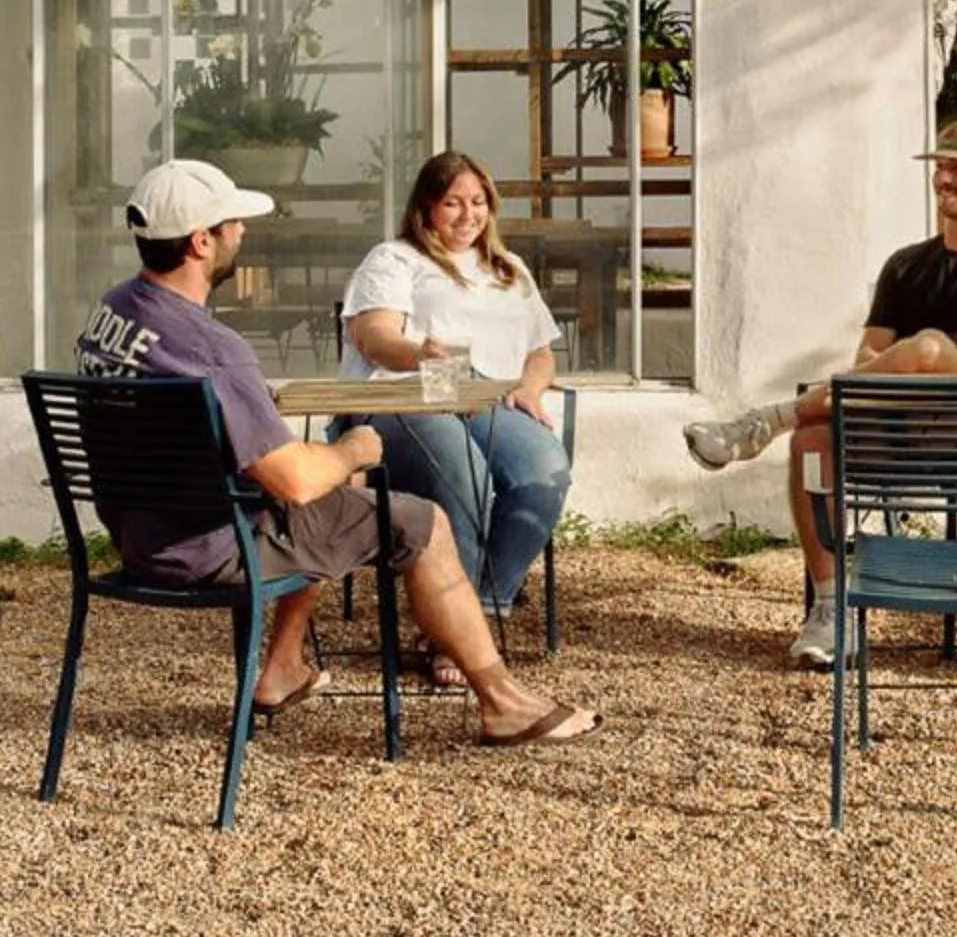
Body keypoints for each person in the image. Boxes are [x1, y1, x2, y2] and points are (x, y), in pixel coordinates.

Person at [76, 156, 596, 745]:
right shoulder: (215, 349)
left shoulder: (112, 312)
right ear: (201, 242)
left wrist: (252, 409)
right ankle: (502, 702)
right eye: (233, 224)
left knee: (337, 503)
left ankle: (281, 668)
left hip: (144, 533)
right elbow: (294, 482)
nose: (243, 233)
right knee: (420, 520)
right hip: (214, 547)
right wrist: (353, 447)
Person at [681, 119, 957, 668]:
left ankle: (764, 422)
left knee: (932, 347)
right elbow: (867, 362)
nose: (943, 176)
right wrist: (907, 370)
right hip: (891, 427)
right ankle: (830, 611)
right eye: (939, 166)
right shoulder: (906, 265)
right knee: (811, 443)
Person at [339, 150, 572, 680]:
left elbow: (541, 351)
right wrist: (420, 353)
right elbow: (374, 336)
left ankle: (477, 610)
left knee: (544, 474)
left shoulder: (508, 269)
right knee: (463, 473)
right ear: (426, 208)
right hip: (407, 398)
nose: (468, 215)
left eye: (478, 202)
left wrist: (532, 389)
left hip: (490, 400)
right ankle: (452, 635)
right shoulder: (394, 259)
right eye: (452, 203)